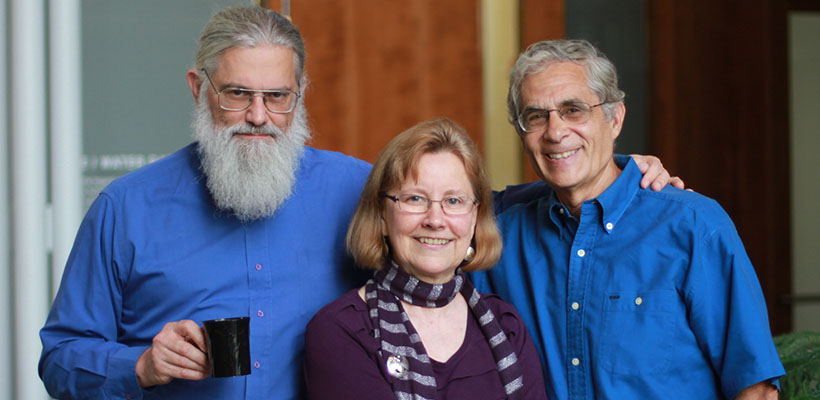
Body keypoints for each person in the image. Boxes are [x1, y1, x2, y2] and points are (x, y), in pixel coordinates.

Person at [38, 6, 678, 399]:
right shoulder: (125, 209)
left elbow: (454, 208)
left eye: (278, 97)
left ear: (301, 93)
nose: (258, 117)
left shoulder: (355, 186)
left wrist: (609, 175)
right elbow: (60, 356)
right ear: (198, 88)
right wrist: (139, 365)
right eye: (237, 94)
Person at [471, 39, 786, 400]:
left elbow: (756, 388)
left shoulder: (693, 226)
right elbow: (418, 210)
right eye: (536, 116)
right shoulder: (497, 234)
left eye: (573, 110)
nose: (555, 133)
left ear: (615, 118)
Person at [303, 118, 548, 399]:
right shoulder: (340, 332)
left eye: (454, 201)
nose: (435, 220)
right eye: (415, 199)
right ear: (382, 216)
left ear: (474, 220)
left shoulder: (506, 325)